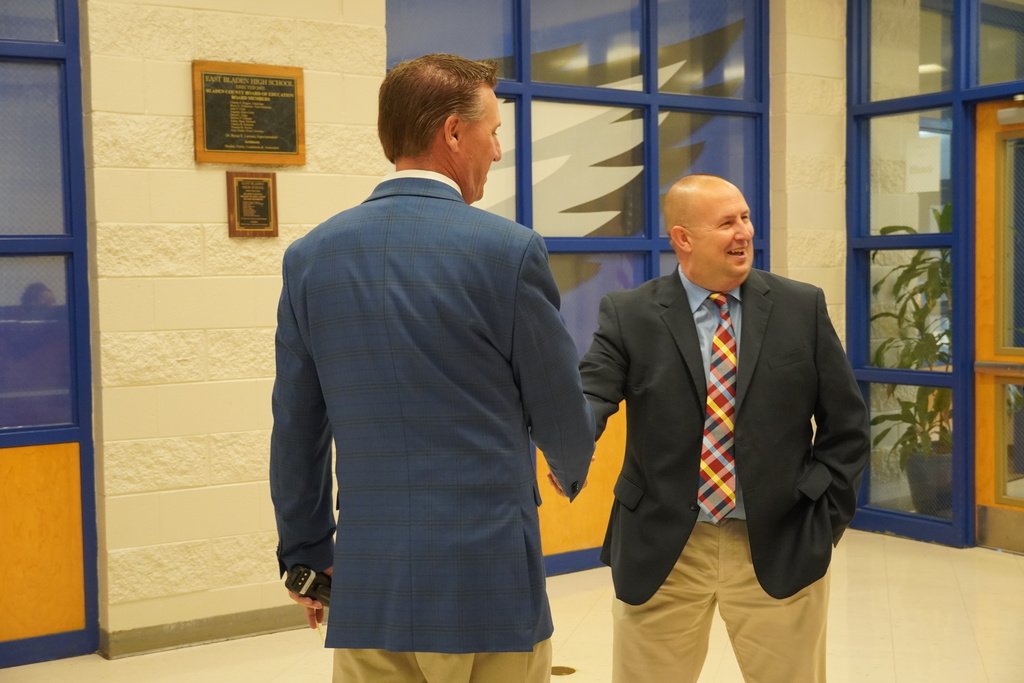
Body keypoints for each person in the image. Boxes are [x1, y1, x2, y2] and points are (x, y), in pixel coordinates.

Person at [269, 53, 596, 683]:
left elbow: (297, 426)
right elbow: (559, 408)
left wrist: (305, 555)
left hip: (371, 584)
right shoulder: (509, 251)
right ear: (452, 132)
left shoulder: (310, 258)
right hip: (488, 580)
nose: (498, 151)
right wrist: (570, 464)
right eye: (494, 131)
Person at [578, 174, 870, 682]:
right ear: (683, 238)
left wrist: (821, 522)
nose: (744, 233)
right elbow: (592, 394)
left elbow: (847, 426)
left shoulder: (802, 307)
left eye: (745, 217)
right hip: (664, 546)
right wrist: (570, 442)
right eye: (726, 223)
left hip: (778, 541)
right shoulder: (631, 314)